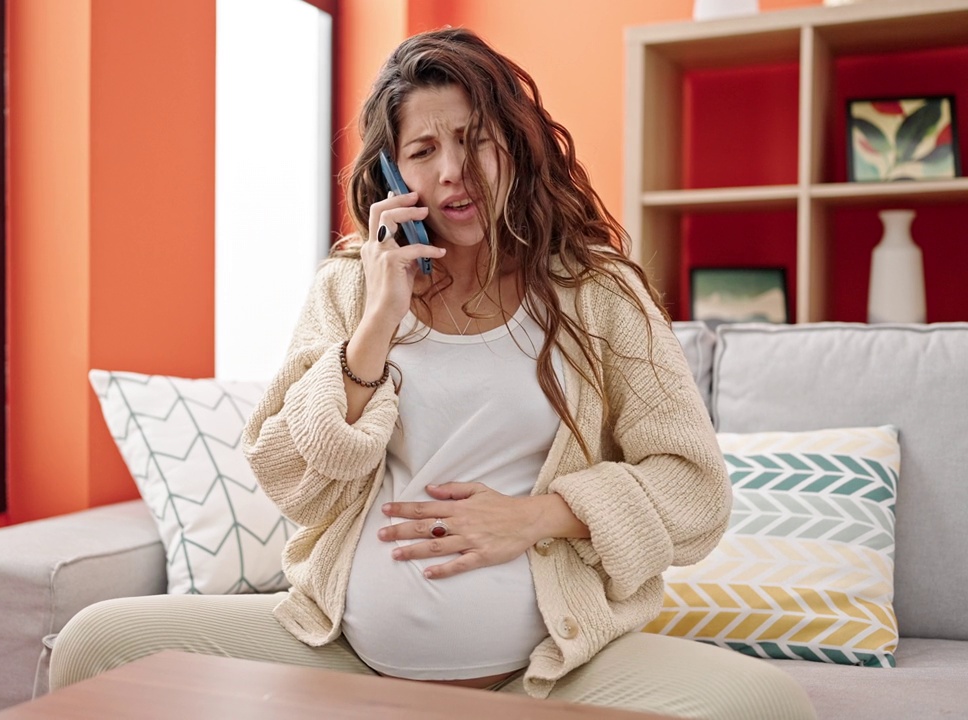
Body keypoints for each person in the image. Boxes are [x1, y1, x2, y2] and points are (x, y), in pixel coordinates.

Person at [50, 28, 816, 719]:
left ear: (515, 145)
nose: (455, 172)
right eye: (423, 151)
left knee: (768, 704)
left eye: (475, 140)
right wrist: (375, 328)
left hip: (543, 667)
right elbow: (286, 477)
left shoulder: (598, 291)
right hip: (344, 655)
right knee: (92, 643)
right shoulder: (351, 287)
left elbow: (696, 492)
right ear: (392, 171)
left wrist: (542, 514)